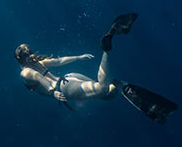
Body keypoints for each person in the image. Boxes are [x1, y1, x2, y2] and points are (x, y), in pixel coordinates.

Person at [15, 14, 178, 123]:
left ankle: (106, 48)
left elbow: (42, 79)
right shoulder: (35, 64)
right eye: (27, 54)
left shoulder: (26, 71)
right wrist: (77, 57)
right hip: (70, 78)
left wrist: (53, 92)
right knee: (107, 94)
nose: (30, 56)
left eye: (29, 53)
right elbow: (58, 62)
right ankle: (118, 83)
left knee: (100, 88)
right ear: (21, 58)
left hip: (64, 87)